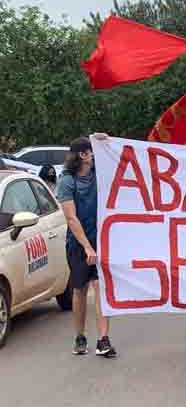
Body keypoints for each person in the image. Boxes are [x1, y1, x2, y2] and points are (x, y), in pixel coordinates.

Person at [57, 137, 116, 358]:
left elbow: (117, 156)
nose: (95, 155)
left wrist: (103, 139)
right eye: (92, 151)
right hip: (78, 245)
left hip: (101, 241)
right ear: (83, 155)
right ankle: (80, 336)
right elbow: (71, 219)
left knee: (101, 287)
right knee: (80, 290)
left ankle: (103, 339)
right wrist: (88, 247)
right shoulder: (67, 181)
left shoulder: (97, 173)